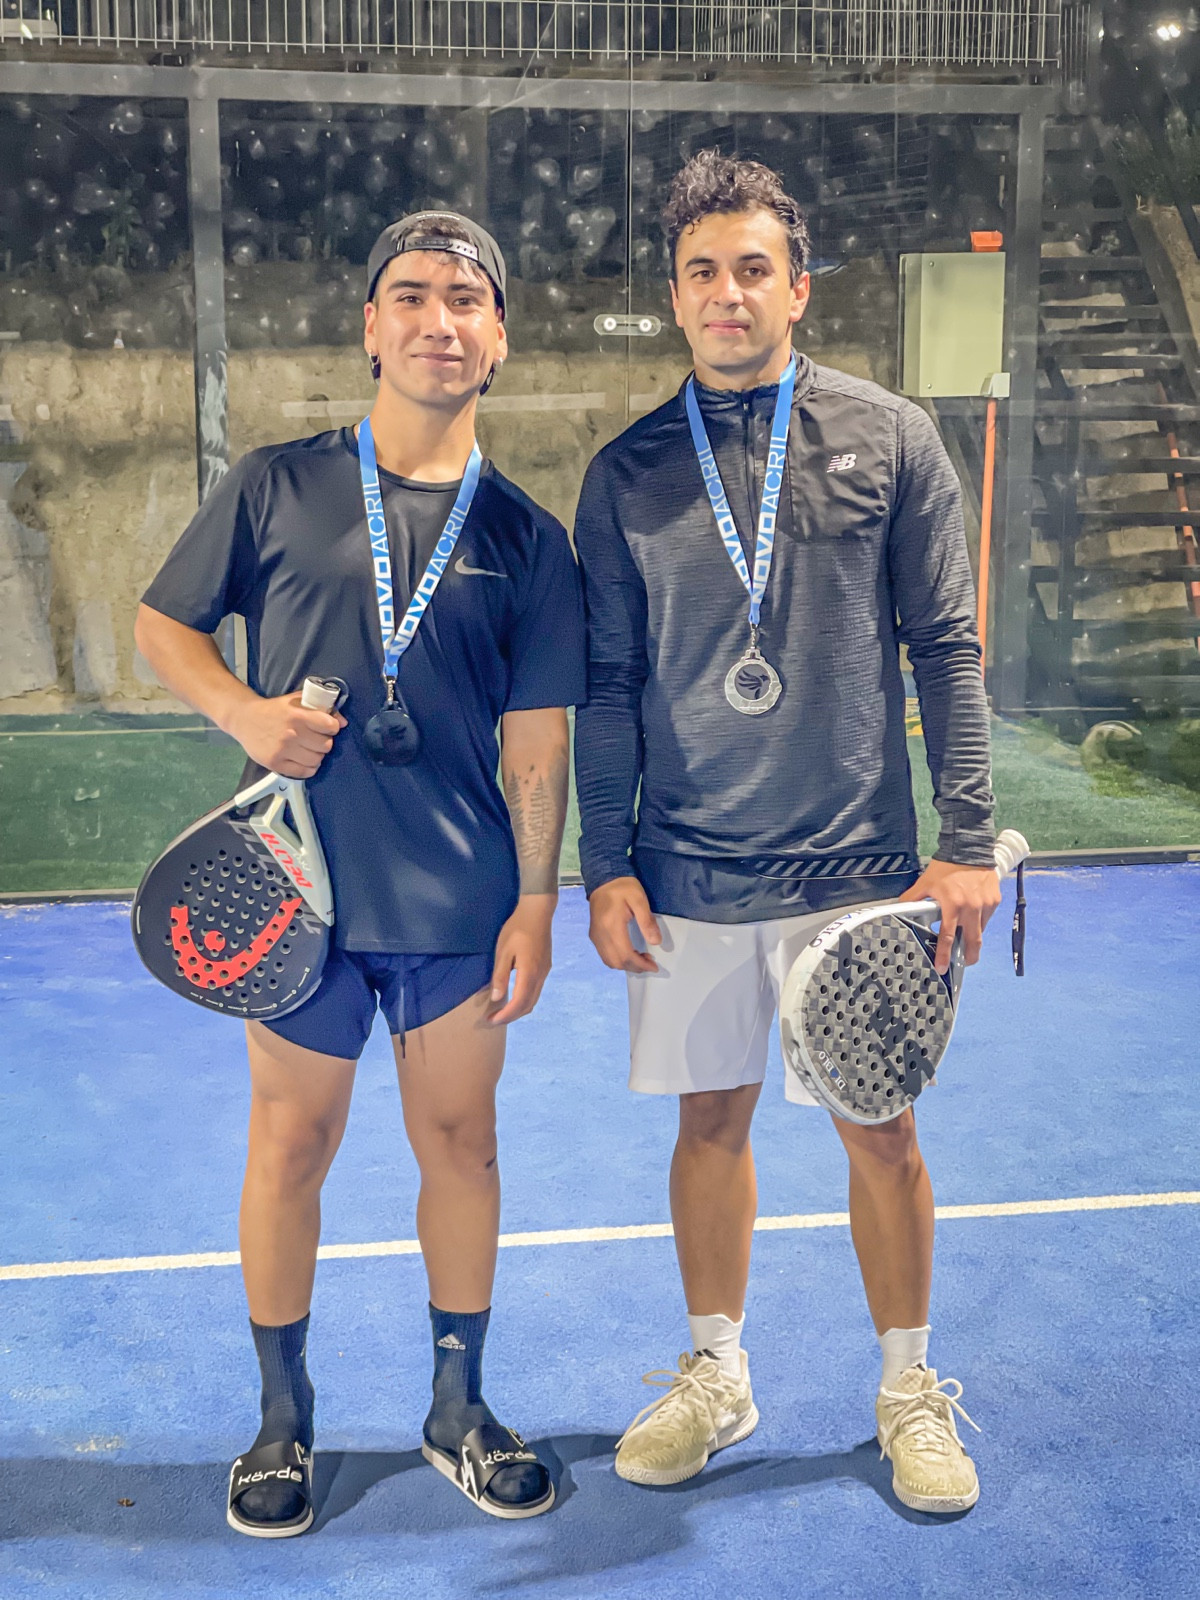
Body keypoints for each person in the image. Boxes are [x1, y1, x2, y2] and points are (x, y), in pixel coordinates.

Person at [135, 211, 585, 1534]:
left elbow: (537, 739)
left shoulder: (528, 537)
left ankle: (458, 1408)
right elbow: (164, 626)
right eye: (413, 295)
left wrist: (538, 898)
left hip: (457, 901)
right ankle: (282, 1420)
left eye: (467, 299)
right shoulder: (275, 486)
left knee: (461, 1145)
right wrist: (243, 713)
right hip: (294, 900)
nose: (441, 318)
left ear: (499, 339)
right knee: (291, 1146)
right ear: (372, 329)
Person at [572, 151, 999, 1514]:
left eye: (753, 268)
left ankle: (909, 1388)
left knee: (881, 1130)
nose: (728, 292)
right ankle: (717, 1373)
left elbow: (946, 647)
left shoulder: (891, 438)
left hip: (859, 869)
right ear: (675, 296)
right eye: (701, 270)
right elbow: (607, 687)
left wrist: (968, 839)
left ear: (798, 288)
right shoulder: (627, 473)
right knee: (710, 1124)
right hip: (691, 868)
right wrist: (605, 861)